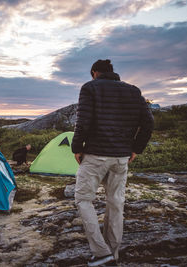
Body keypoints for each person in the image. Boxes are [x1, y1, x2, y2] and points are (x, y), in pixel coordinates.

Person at [71, 59, 154, 266]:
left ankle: (101, 253)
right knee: (116, 203)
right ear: (112, 72)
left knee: (83, 199)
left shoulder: (90, 88)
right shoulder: (133, 91)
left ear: (94, 73)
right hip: (120, 158)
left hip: (95, 155)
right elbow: (149, 122)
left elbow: (83, 121)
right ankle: (112, 253)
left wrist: (77, 148)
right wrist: (136, 148)